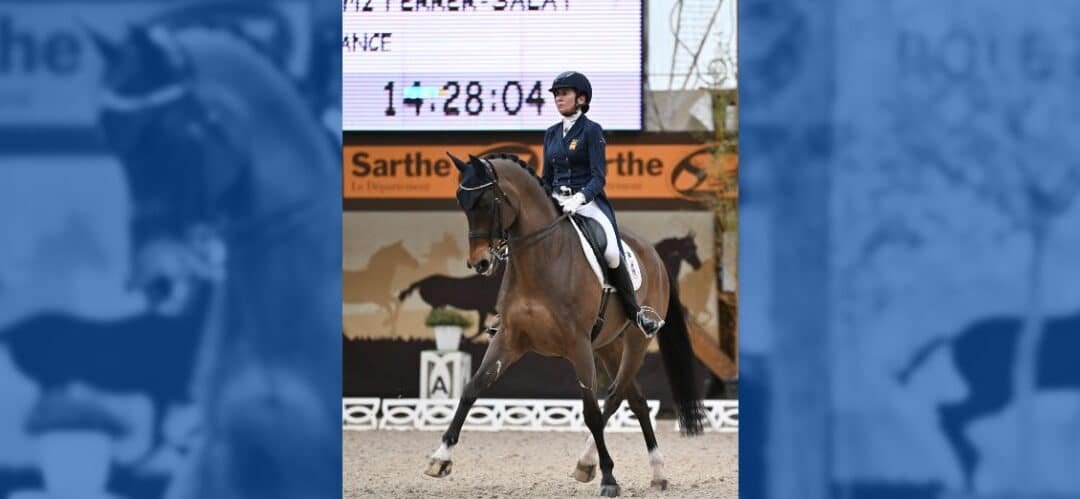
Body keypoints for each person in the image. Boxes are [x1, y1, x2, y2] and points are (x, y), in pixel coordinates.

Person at [542, 71, 663, 336]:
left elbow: (599, 177)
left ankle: (635, 313)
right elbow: (545, 178)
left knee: (610, 250)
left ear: (581, 98)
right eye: (556, 95)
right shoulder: (550, 134)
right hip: (555, 203)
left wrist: (578, 198)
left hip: (586, 202)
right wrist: (547, 200)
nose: (558, 98)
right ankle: (506, 313)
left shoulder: (591, 131)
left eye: (564, 93)